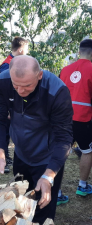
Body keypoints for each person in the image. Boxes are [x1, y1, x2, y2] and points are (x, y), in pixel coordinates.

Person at [0, 55, 73, 224]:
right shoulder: (3, 82)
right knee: (20, 204)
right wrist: (0, 154)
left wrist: (49, 175)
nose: (20, 91)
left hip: (47, 156)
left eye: (27, 85)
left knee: (43, 210)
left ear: (39, 75)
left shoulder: (57, 91)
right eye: (16, 85)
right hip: (21, 152)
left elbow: (64, 138)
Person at [60, 39, 92, 197]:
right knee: (87, 151)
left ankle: (56, 192)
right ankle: (82, 186)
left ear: (79, 52)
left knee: (59, 152)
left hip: (63, 118)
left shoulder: (65, 70)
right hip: (83, 119)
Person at [0, 37, 29, 173]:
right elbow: (5, 89)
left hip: (18, 106)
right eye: (27, 49)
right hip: (9, 106)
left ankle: (13, 159)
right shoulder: (7, 65)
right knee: (5, 133)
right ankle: (3, 162)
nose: (27, 52)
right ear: (21, 48)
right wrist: (8, 110)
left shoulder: (20, 62)